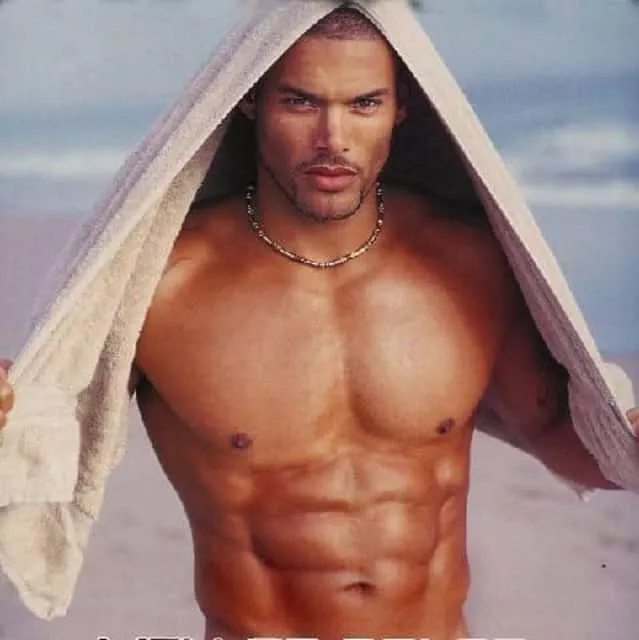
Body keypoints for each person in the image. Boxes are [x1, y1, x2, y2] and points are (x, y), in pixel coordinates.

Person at [0, 7, 637, 640]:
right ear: (250, 100)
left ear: (401, 107)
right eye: (301, 102)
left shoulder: (468, 265)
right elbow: (41, 442)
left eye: (364, 103)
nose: (333, 137)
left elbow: (562, 435)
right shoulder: (163, 287)